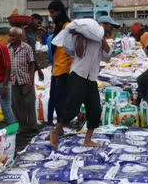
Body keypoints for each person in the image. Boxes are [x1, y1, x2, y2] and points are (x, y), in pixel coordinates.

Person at [49, 16, 115, 149]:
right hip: (78, 75)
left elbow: (108, 56)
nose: (111, 29)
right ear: (103, 24)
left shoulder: (101, 39)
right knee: (72, 107)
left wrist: (102, 38)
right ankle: (55, 132)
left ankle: (88, 140)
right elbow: (78, 54)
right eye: (110, 26)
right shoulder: (85, 36)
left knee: (95, 109)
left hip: (91, 78)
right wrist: (80, 36)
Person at [47, 0, 73, 127]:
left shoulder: (66, 26)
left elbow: (68, 49)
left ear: (59, 12)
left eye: (53, 12)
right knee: (57, 98)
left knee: (62, 99)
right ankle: (61, 124)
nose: (51, 15)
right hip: (57, 67)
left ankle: (63, 124)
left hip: (64, 68)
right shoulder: (59, 25)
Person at [8, 27, 37, 132]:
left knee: (29, 104)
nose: (10, 38)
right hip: (14, 81)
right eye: (10, 35)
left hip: (25, 80)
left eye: (13, 35)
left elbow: (32, 64)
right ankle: (22, 126)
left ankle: (32, 126)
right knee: (16, 105)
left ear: (20, 36)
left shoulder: (26, 48)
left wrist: (31, 80)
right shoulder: (8, 48)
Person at [24, 14, 45, 81]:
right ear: (32, 19)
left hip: (29, 67)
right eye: (38, 22)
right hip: (24, 67)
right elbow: (31, 53)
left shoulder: (32, 34)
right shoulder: (23, 32)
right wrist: (39, 69)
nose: (39, 25)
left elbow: (32, 52)